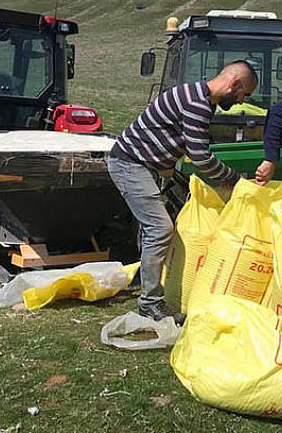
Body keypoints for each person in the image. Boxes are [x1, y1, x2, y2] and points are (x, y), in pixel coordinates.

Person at [108, 61, 257, 324]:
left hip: (147, 166)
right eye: (243, 94)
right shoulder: (196, 102)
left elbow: (191, 146)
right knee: (160, 228)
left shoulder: (201, 100)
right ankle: (150, 304)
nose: (239, 102)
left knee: (156, 226)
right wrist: (234, 180)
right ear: (234, 84)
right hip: (130, 164)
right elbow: (200, 156)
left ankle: (149, 285)